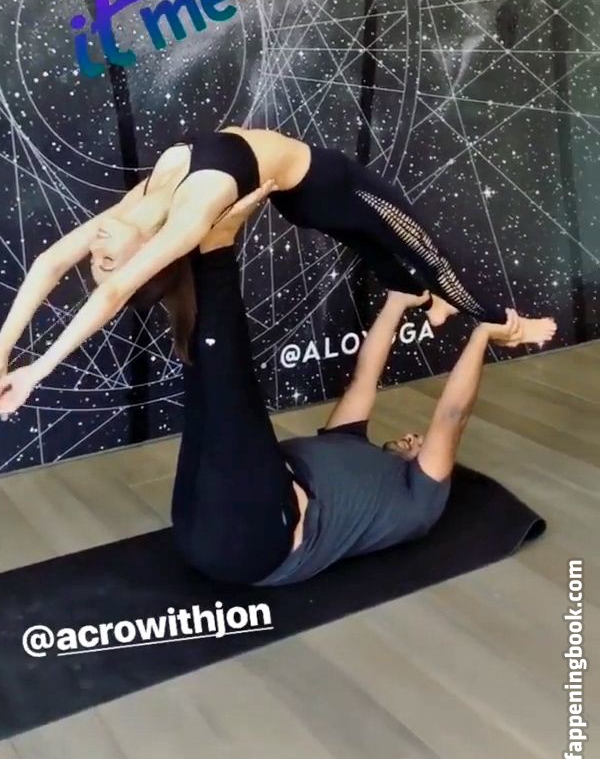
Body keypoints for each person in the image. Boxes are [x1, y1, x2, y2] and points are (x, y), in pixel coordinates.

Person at [0, 127, 555, 415]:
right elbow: (113, 294)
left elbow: (48, 263)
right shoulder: (188, 217)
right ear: (150, 251)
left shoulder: (129, 213)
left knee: (377, 246)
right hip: (326, 185)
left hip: (299, 196)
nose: (96, 249)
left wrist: (1, 354)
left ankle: (430, 299)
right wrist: (38, 372)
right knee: (425, 247)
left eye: (97, 260)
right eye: (106, 262)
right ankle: (502, 321)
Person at [170, 185, 532, 586]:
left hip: (257, 542)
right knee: (202, 376)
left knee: (230, 392)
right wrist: (397, 303)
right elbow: (365, 377)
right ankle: (195, 252)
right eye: (417, 437)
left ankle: (214, 251)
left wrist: (482, 336)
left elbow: (452, 415)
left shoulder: (420, 500)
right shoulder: (349, 441)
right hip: (200, 528)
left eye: (419, 443)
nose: (414, 437)